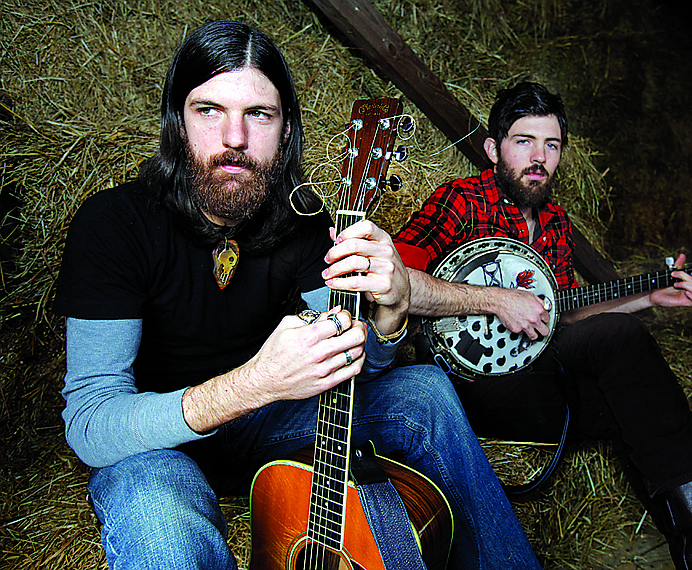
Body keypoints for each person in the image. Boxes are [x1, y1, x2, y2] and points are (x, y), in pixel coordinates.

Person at [54, 21, 542, 569]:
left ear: (286, 130)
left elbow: (353, 370)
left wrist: (390, 315)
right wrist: (253, 383)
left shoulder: (302, 222)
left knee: (424, 389)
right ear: (177, 123)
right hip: (158, 442)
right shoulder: (113, 224)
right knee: (163, 523)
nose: (234, 138)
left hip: (268, 423)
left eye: (258, 114)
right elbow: (91, 425)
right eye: (208, 110)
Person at [394, 81, 692, 570]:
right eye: (524, 141)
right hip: (470, 384)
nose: (538, 157)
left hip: (541, 375)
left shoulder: (557, 223)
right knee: (633, 398)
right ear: (493, 148)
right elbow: (391, 279)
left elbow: (565, 317)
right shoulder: (460, 202)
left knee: (632, 385)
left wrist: (648, 298)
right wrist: (495, 300)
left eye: (551, 145)